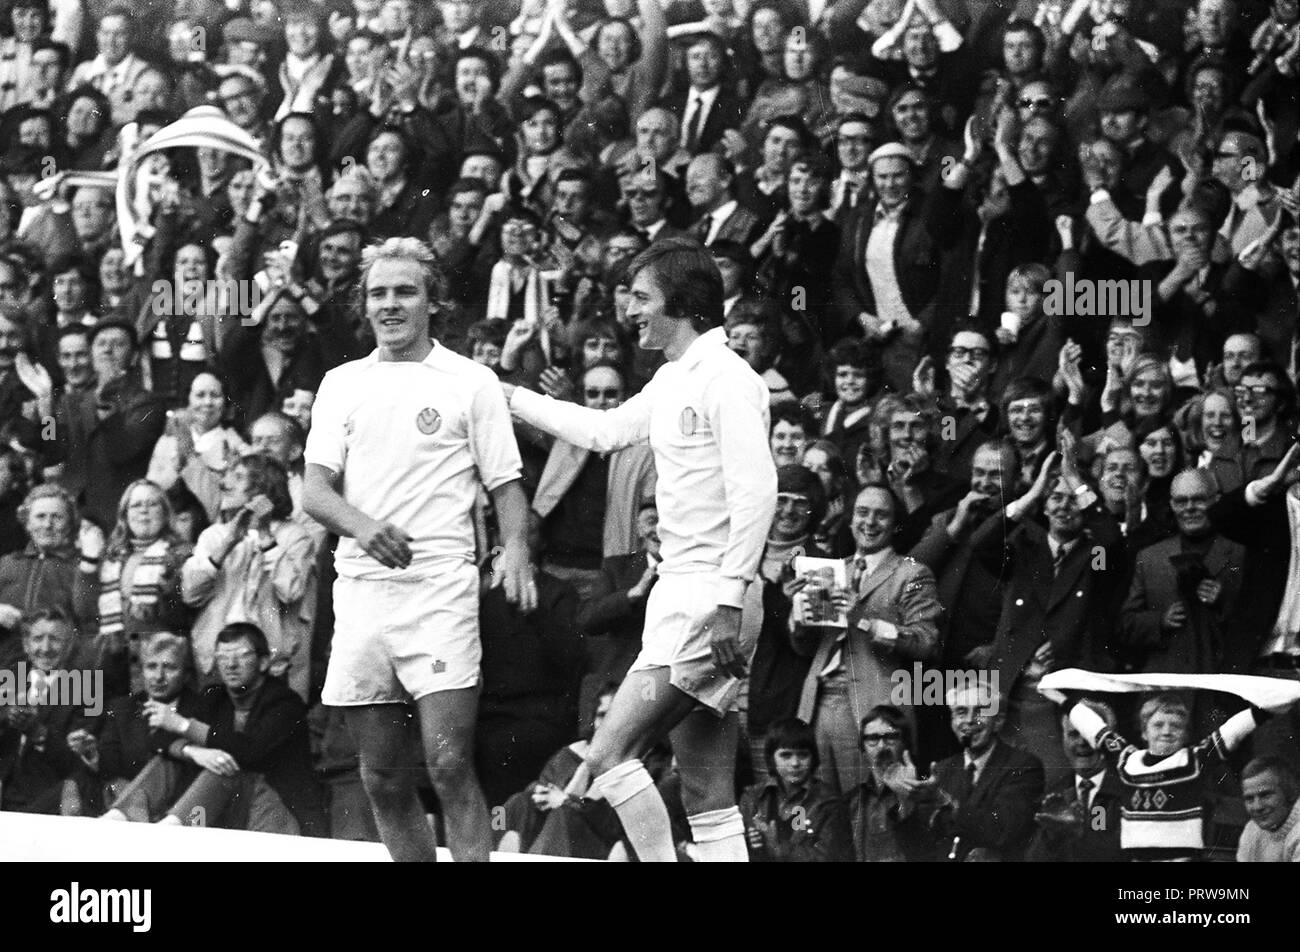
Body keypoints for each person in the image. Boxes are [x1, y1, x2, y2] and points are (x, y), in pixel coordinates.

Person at [504, 236, 777, 862]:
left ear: (680, 303)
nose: (630, 311)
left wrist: (731, 599)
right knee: (708, 790)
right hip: (688, 595)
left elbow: (759, 489)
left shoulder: (728, 380)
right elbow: (603, 432)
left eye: (642, 298)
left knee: (606, 755)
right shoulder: (673, 377)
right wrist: (513, 396)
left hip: (709, 599)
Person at [303, 237, 535, 863]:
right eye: (378, 293)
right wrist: (365, 527)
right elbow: (316, 493)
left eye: (405, 291)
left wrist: (515, 548)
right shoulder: (341, 383)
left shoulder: (472, 382)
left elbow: (507, 487)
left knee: (450, 761)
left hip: (440, 590)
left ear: (433, 301)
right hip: (363, 593)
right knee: (380, 774)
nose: (390, 304)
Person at [790, 483, 942, 794]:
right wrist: (799, 616)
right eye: (862, 513)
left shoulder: (912, 573)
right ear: (850, 519)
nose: (869, 522)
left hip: (872, 706)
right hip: (817, 702)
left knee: (866, 808)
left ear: (895, 524)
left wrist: (863, 622)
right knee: (824, 808)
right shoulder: (833, 570)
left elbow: (927, 641)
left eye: (881, 515)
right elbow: (805, 647)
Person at [1054, 691, 1276, 860]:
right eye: (1073, 734)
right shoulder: (1062, 791)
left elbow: (1099, 843)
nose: (1082, 742)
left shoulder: (1108, 793)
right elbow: (1091, 844)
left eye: (1175, 726)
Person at [930, 682, 1046, 862]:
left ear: (998, 721)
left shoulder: (1023, 766)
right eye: (961, 712)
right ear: (953, 722)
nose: (969, 720)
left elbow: (1002, 829)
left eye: (980, 711)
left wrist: (952, 807)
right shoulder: (941, 770)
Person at [738, 716, 853, 862]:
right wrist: (749, 843)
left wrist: (778, 849)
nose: (795, 763)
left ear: (814, 757)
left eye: (803, 755)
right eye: (786, 755)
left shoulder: (830, 803)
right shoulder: (752, 798)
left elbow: (831, 857)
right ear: (772, 758)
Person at [1026, 699, 1124, 862]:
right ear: (1063, 740)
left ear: (1111, 742)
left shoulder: (1127, 790)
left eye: (1089, 735)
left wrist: (1077, 832)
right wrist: (1052, 836)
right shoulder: (1053, 794)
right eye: (1073, 734)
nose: (1082, 742)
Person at [1236, 757, 1300, 862]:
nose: (1257, 807)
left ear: (1289, 793)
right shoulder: (1252, 830)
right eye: (1249, 799)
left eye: (1265, 795)